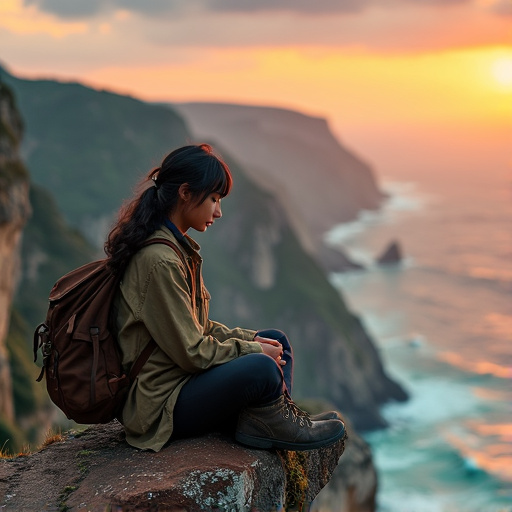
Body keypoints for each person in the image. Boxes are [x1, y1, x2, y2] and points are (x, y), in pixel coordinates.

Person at [105, 144, 345, 452]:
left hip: (181, 385)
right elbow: (193, 352)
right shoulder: (160, 261)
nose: (218, 211)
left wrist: (256, 340)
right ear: (185, 193)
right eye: (214, 199)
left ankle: (272, 419)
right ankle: (268, 422)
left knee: (276, 340)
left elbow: (199, 329)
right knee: (262, 367)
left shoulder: (177, 251)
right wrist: (252, 350)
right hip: (161, 404)